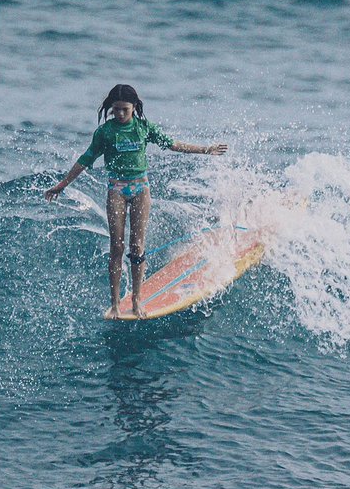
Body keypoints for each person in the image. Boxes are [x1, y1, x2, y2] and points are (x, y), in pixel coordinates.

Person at [44, 84, 229, 319]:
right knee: (116, 247)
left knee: (136, 247)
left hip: (141, 189)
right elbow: (86, 158)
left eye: (125, 110)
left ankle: (137, 300)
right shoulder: (105, 133)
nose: (120, 114)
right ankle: (114, 304)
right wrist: (62, 185)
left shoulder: (143, 128)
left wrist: (205, 150)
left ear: (134, 107)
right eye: (116, 110)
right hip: (117, 190)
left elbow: (171, 144)